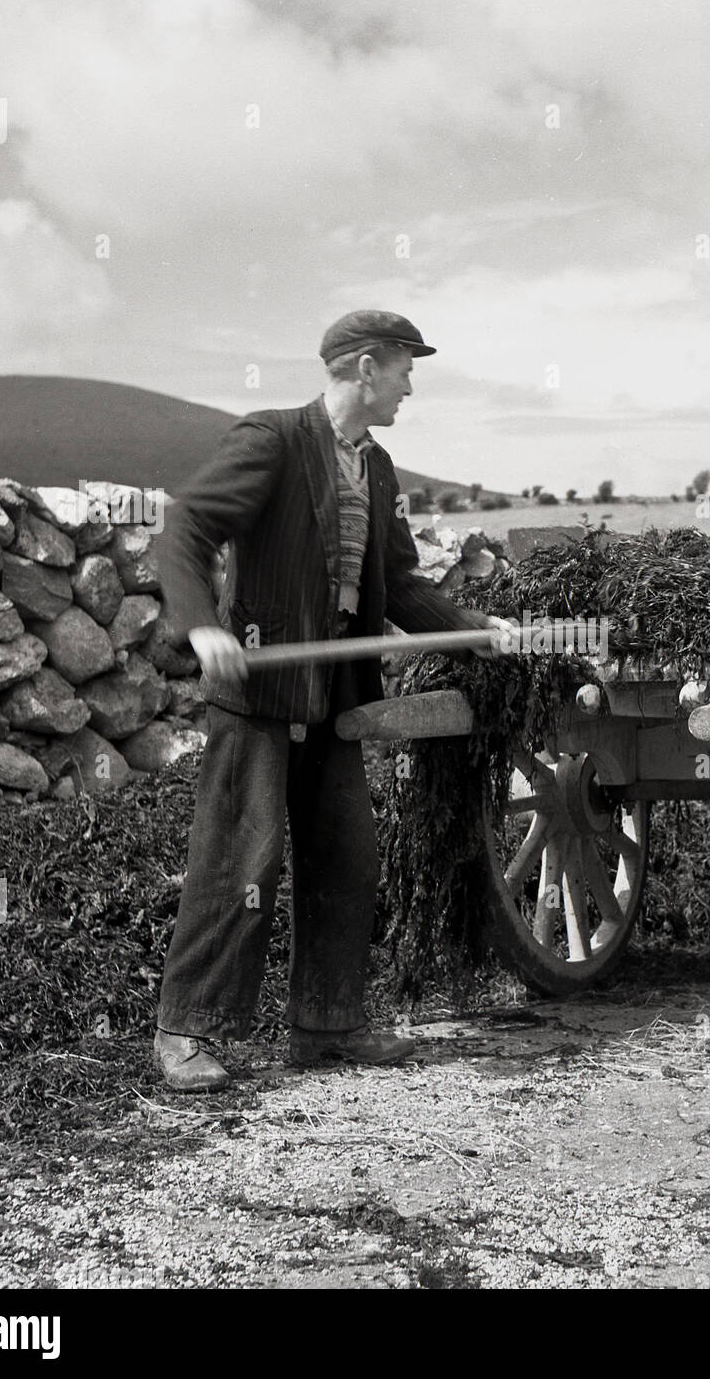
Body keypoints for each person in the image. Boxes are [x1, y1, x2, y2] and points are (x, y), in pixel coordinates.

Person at [152, 310, 508, 1091]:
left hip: (335, 694)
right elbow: (184, 527)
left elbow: (404, 584)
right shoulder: (273, 439)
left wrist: (476, 630)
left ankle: (328, 1023)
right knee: (244, 859)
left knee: (348, 858)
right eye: (406, 368)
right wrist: (203, 627)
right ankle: (187, 1032)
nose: (411, 385)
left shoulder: (376, 468)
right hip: (262, 688)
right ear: (365, 367)